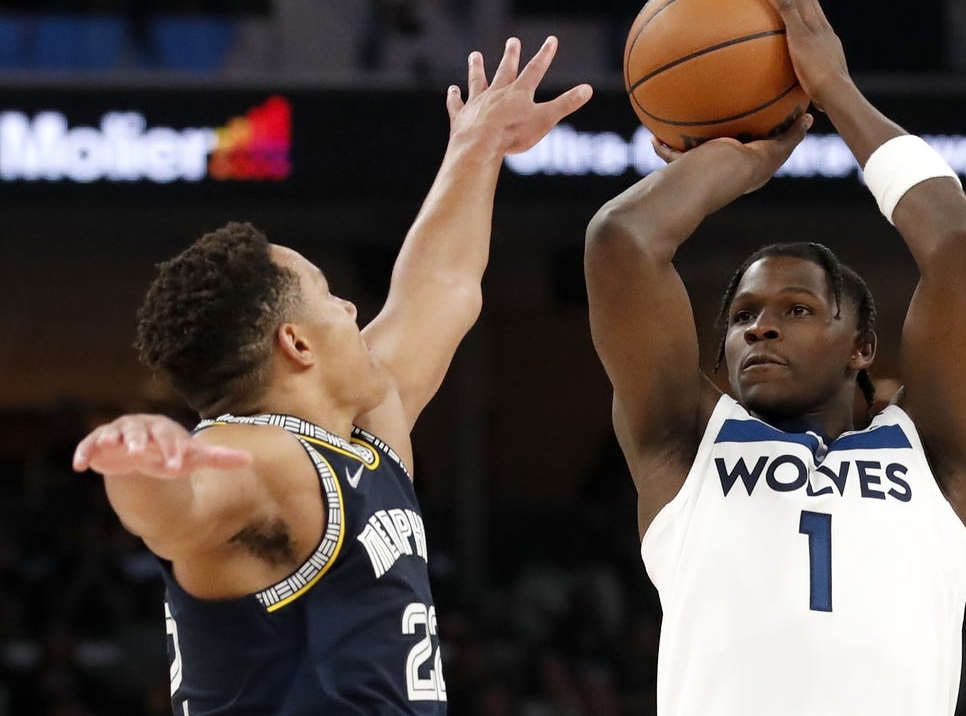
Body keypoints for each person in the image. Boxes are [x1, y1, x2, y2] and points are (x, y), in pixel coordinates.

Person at [71, 36, 592, 715]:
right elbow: (179, 513)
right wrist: (139, 462)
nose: (351, 306)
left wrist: (479, 144)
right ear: (297, 343)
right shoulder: (264, 456)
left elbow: (442, 283)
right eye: (327, 295)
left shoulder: (368, 427)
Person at [583, 0, 966, 715]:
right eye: (742, 316)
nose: (761, 325)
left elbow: (957, 249)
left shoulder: (936, 457)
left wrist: (836, 92)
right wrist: (732, 164)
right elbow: (622, 239)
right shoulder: (683, 451)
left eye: (799, 309)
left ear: (862, 347)